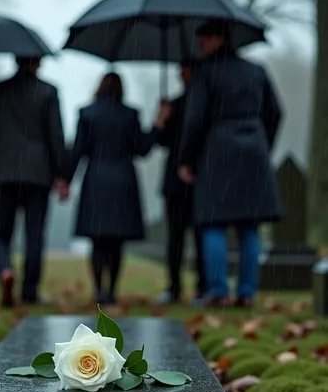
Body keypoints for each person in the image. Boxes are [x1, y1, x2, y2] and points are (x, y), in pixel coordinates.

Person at [178, 20, 283, 307]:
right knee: (249, 225)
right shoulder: (256, 71)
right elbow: (275, 112)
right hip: (254, 149)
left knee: (214, 222)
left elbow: (194, 119)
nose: (200, 44)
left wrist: (187, 158)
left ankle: (218, 291)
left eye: (204, 38)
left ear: (218, 39)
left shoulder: (205, 73)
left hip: (218, 150)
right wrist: (264, 144)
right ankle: (247, 292)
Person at [60, 72, 169, 304]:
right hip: (123, 180)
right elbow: (142, 148)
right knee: (117, 241)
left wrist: (65, 180)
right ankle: (112, 290)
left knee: (98, 240)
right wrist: (159, 123)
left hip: (97, 180)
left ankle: (99, 288)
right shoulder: (130, 115)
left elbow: (77, 151)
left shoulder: (87, 114)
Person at [0, 55, 66, 307]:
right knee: (34, 234)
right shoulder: (48, 92)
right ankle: (30, 290)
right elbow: (56, 136)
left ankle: (5, 269)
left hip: (3, 172)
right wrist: (62, 174)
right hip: (37, 174)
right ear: (38, 62)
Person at [156, 61, 205, 305]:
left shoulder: (204, 103)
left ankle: (200, 285)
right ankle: (175, 285)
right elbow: (162, 141)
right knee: (177, 236)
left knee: (196, 235)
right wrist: (162, 118)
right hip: (178, 179)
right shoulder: (174, 105)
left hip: (195, 176)